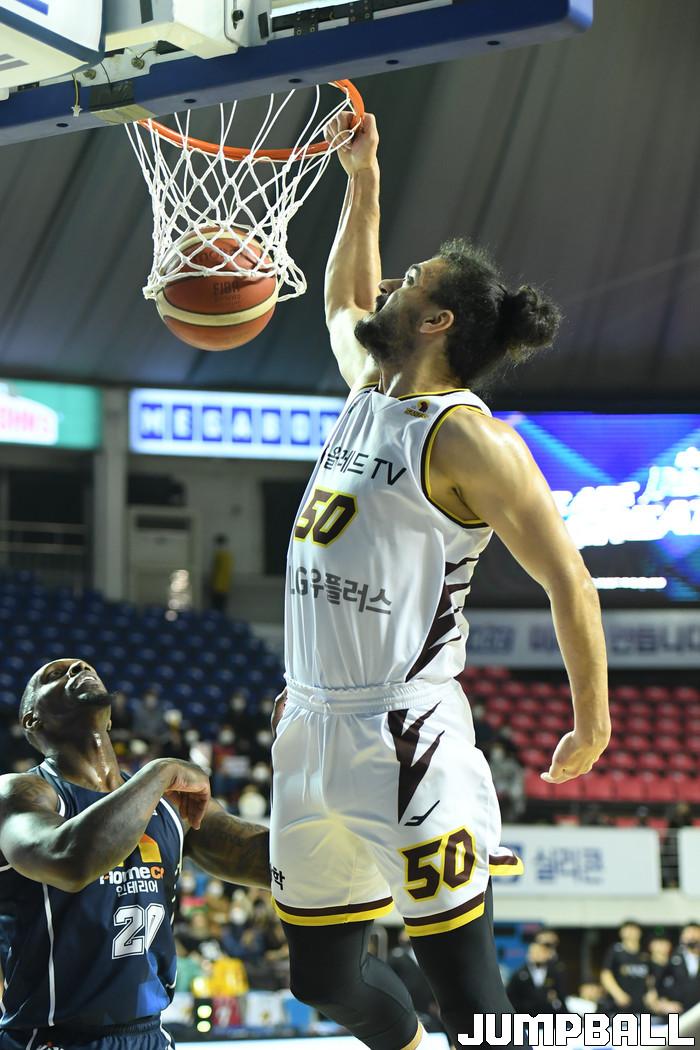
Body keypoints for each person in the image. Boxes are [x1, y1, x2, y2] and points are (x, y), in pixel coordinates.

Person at [270, 111, 610, 1049]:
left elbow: (571, 581)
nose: (389, 284)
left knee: (470, 1000)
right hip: (308, 722)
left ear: (436, 321)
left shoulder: (469, 438)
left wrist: (591, 721)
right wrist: (363, 181)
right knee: (321, 979)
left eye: (410, 278)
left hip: (404, 736)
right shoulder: (368, 390)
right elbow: (344, 298)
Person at [0, 658, 270, 1050]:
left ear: (109, 719)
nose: (77, 668)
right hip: (54, 1039)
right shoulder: (19, 794)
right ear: (32, 721)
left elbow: (263, 860)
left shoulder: (167, 803)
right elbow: (70, 860)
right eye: (55, 675)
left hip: (150, 1035)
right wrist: (159, 773)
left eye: (84, 667)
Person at [600, 921, 650, 1016]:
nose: (631, 932)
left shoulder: (644, 954)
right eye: (628, 929)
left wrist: (650, 993)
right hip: (618, 1008)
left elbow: (650, 977)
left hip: (640, 1007)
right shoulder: (616, 951)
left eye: (634, 929)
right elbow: (606, 974)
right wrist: (617, 994)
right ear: (621, 932)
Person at [651, 923, 700, 1016]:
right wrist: (664, 1004)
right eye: (689, 933)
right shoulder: (670, 958)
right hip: (677, 1014)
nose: (692, 937)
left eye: (696, 933)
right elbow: (657, 987)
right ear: (682, 937)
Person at [506, 941, 566, 1015]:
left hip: (548, 1015)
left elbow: (561, 995)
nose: (538, 955)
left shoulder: (554, 973)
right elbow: (512, 997)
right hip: (525, 1015)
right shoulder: (519, 974)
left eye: (541, 952)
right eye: (534, 952)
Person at [209, 534, 233, 613]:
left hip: (219, 586)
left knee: (218, 606)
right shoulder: (225, 555)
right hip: (222, 586)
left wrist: (217, 585)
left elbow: (222, 572)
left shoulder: (222, 555)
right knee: (219, 606)